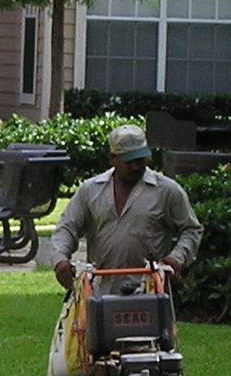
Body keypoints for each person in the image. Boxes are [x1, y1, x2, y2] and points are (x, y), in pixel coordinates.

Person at [50, 123, 202, 289]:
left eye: (140, 159)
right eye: (129, 161)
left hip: (150, 289)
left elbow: (191, 229)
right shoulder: (91, 190)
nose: (136, 166)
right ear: (113, 158)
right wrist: (60, 259)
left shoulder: (167, 191)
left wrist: (176, 258)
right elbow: (67, 228)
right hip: (100, 289)